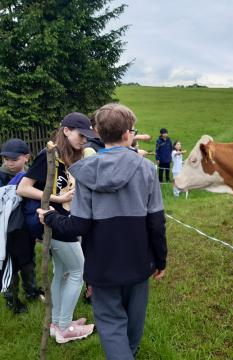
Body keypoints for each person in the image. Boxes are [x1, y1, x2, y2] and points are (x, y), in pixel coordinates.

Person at [37, 103, 167, 359]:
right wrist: (160, 259)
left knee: (110, 323)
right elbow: (156, 222)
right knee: (133, 322)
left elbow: (79, 225)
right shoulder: (147, 170)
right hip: (139, 261)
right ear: (129, 133)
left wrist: (50, 216)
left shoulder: (86, 172)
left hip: (102, 264)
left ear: (96, 132)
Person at [17, 113, 95, 343]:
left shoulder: (71, 155)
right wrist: (57, 199)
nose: (84, 140)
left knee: (62, 272)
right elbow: (24, 187)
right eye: (81, 135)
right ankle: (64, 328)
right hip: (53, 221)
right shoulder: (49, 154)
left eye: (87, 136)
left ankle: (57, 322)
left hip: (63, 220)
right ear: (66, 130)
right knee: (78, 272)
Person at [0, 139, 43, 313]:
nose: (9, 163)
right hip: (6, 232)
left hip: (25, 230)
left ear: (26, 157)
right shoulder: (1, 177)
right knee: (9, 266)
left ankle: (31, 291)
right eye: (6, 159)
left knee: (28, 262)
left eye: (14, 159)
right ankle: (12, 301)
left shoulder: (32, 175)